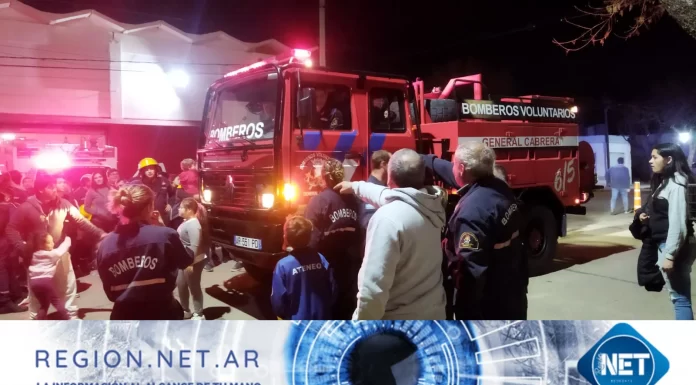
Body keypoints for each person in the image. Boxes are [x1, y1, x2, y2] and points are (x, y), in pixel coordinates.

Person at [334, 149, 448, 320]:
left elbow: (372, 289)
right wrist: (356, 186)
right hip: (434, 315)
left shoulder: (387, 219)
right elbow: (387, 195)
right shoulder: (430, 205)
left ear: (389, 177)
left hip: (399, 323)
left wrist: (362, 329)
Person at [423, 141, 527, 320]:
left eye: (454, 163)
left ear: (462, 169)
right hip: (513, 289)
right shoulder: (497, 187)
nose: (452, 167)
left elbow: (471, 273)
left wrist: (465, 314)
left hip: (490, 306)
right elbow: (451, 172)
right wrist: (427, 160)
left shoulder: (471, 213)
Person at [5, 174, 105, 320]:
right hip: (36, 258)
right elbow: (11, 228)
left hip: (60, 252)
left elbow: (81, 221)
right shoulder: (26, 207)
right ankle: (36, 320)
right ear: (40, 190)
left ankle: (70, 315)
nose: (55, 189)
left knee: (67, 286)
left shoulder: (63, 204)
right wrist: (22, 247)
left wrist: (101, 234)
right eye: (50, 187)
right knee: (36, 293)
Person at [96, 184, 192, 320]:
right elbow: (185, 261)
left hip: (124, 315)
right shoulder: (166, 235)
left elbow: (109, 290)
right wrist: (161, 227)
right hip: (162, 312)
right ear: (149, 207)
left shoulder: (105, 245)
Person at [644, 143, 696, 320]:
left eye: (655, 157)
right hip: (666, 244)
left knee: (680, 299)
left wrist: (670, 255)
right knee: (678, 297)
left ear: (669, 159)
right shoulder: (667, 181)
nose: (650, 161)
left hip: (673, 246)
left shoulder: (676, 183)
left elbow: (678, 223)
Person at [304, 159, 361, 319]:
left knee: (329, 307)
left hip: (327, 265)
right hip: (350, 263)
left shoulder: (318, 201)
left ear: (324, 177)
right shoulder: (353, 199)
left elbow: (312, 238)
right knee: (347, 305)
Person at [270, 216, 337, 320]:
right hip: (322, 317)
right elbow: (332, 290)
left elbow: (278, 302)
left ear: (286, 237)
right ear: (309, 237)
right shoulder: (320, 258)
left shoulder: (283, 266)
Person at [176, 197, 210, 320]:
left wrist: (190, 263)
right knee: (181, 285)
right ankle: (186, 310)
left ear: (189, 209)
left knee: (194, 286)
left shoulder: (194, 225)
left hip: (193, 262)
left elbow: (194, 246)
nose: (178, 209)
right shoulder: (186, 222)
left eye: (181, 207)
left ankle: (199, 313)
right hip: (184, 261)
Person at [28, 233, 72, 320]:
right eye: (50, 242)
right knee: (57, 302)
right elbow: (63, 248)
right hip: (46, 282)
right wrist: (67, 238)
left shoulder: (34, 254)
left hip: (34, 283)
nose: (53, 243)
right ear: (42, 245)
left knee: (44, 304)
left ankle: (40, 322)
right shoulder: (52, 254)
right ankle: (68, 320)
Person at [130, 158, 175, 226]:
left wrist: (170, 204)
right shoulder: (139, 183)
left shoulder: (164, 181)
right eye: (146, 169)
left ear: (156, 169)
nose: (149, 171)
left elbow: (173, 194)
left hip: (162, 215)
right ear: (143, 171)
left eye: (151, 168)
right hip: (145, 217)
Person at [0, 187, 24, 314]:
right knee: (7, 270)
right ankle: (13, 296)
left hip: (5, 243)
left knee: (4, 270)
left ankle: (7, 299)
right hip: (8, 243)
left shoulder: (4, 208)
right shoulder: (9, 207)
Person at [359, 150, 391, 229]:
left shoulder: (381, 188)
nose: (394, 169)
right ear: (383, 164)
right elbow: (368, 223)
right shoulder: (370, 190)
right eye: (391, 164)